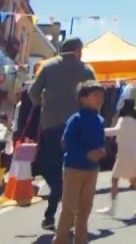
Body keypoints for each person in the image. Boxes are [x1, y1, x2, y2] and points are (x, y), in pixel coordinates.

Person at [29, 38, 97, 231]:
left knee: (51, 167)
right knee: (75, 169)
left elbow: (33, 93)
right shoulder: (86, 70)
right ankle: (71, 214)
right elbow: (95, 97)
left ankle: (51, 213)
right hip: (78, 127)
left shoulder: (48, 67)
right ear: (78, 50)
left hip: (51, 125)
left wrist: (45, 105)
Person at [56, 83, 107, 244]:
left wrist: (101, 151)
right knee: (69, 209)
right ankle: (60, 240)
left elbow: (100, 142)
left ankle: (81, 240)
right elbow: (65, 142)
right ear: (83, 99)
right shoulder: (76, 119)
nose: (100, 99)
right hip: (74, 168)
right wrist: (86, 154)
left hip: (92, 169)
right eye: (95, 95)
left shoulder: (100, 120)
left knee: (85, 209)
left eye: (101, 95)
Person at [98, 99, 136, 219]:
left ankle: (113, 207)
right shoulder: (135, 121)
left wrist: (100, 131)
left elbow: (116, 131)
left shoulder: (123, 120)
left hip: (124, 154)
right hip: (134, 154)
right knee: (134, 180)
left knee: (115, 179)